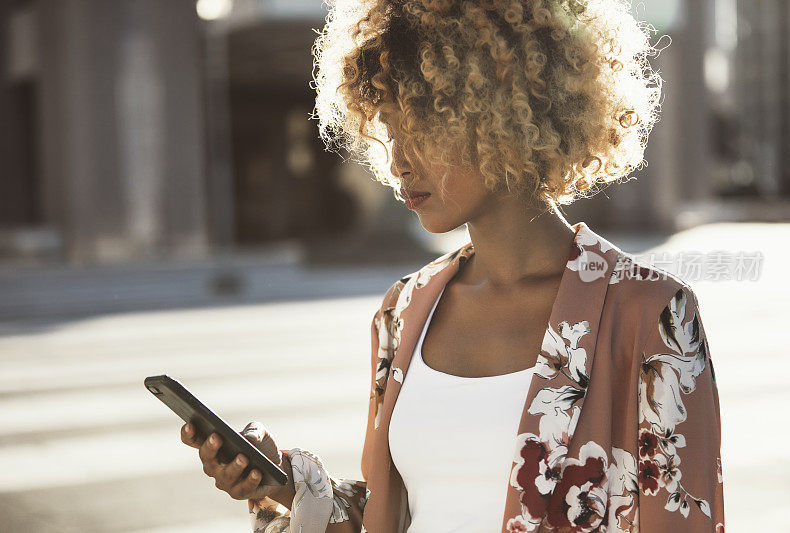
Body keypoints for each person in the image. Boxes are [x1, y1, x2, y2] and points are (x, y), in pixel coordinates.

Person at [180, 0, 725, 531]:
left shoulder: (648, 314)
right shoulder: (404, 310)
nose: (396, 160)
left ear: (503, 111)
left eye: (420, 125)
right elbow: (390, 515)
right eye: (388, 129)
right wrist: (283, 484)